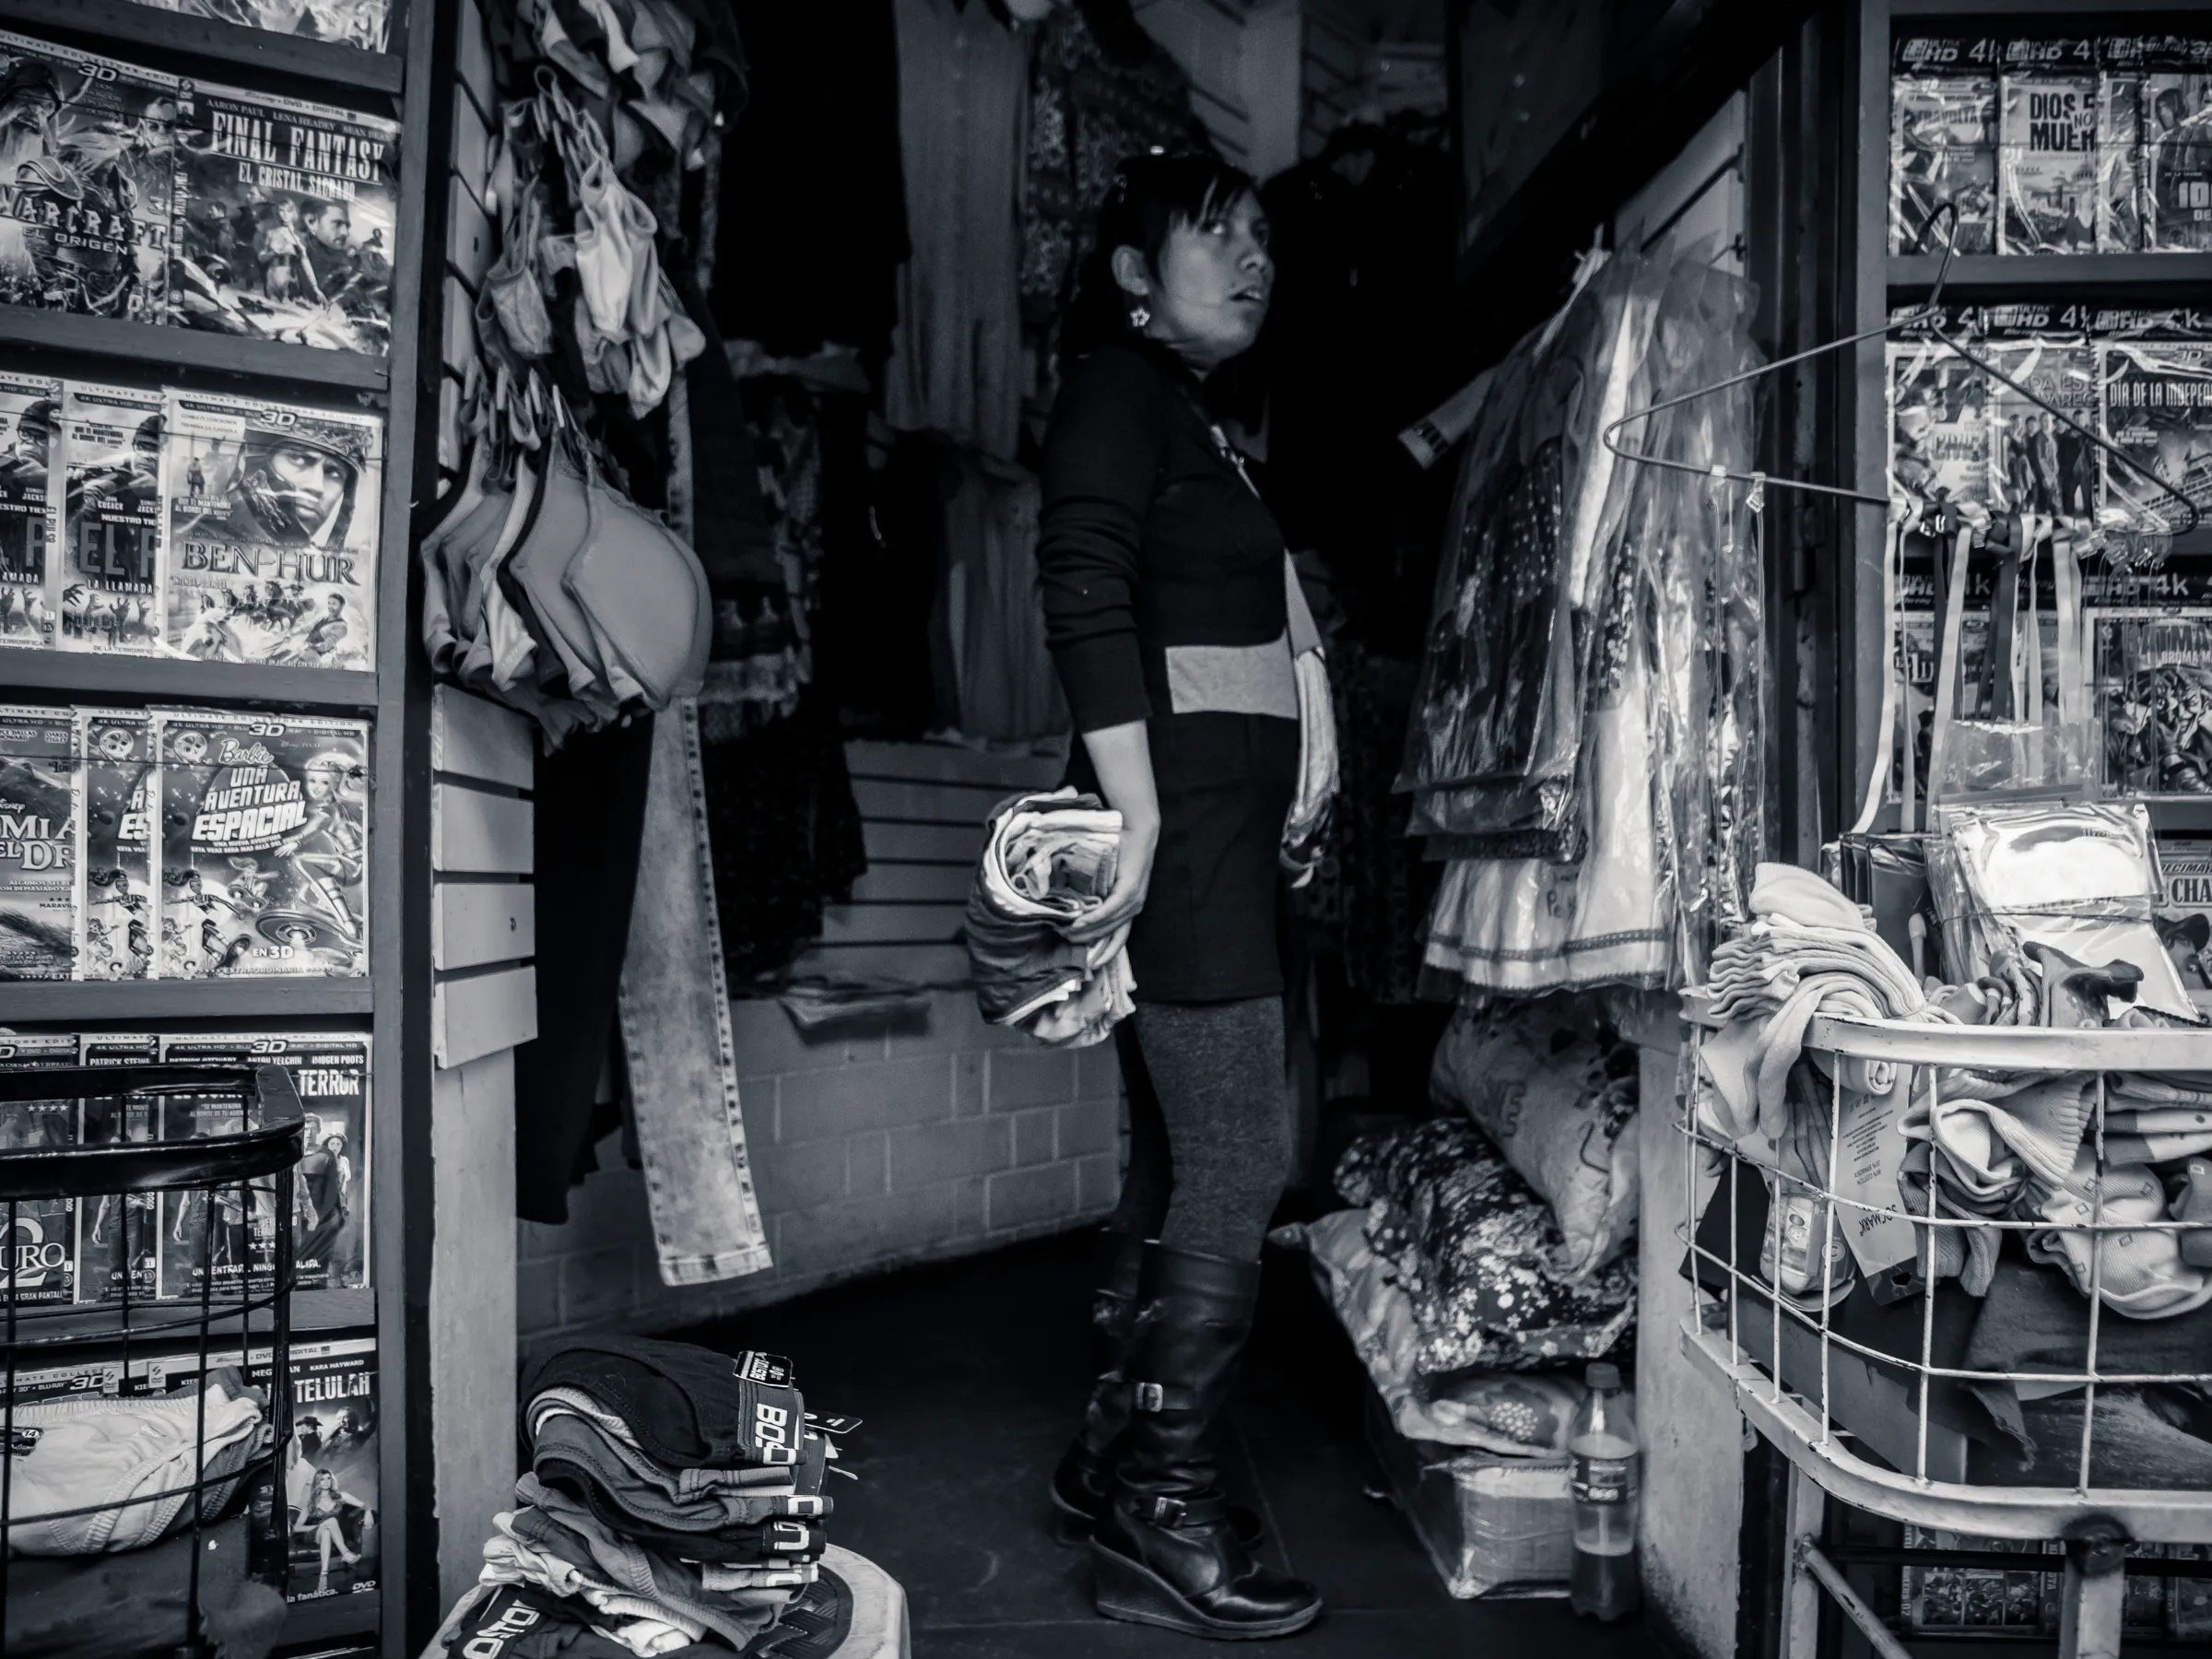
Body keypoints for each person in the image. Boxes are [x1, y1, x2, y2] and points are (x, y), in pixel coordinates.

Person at [1033, 149, 1321, 1640]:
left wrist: (1303, 751)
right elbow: (1080, 582)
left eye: (1264, 236)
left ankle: (1110, 1451)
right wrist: (1136, 811)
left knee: (1169, 1157)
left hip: (1216, 831)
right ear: (1136, 270)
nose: (1252, 257)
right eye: (1218, 234)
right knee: (1238, 1156)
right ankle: (1164, 1500)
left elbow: (1246, 631)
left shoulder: (1201, 422)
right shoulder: (1117, 392)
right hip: (1183, 837)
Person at [293, 1466, 371, 1594]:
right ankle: (345, 1553)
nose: (326, 1481)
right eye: (322, 1479)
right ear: (317, 1482)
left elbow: (364, 1504)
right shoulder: (312, 1503)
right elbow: (297, 1527)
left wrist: (368, 1512)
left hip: (330, 1535)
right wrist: (318, 1526)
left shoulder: (341, 1496)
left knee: (327, 1531)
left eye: (328, 1478)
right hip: (313, 1535)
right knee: (331, 1522)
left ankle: (323, 1576)